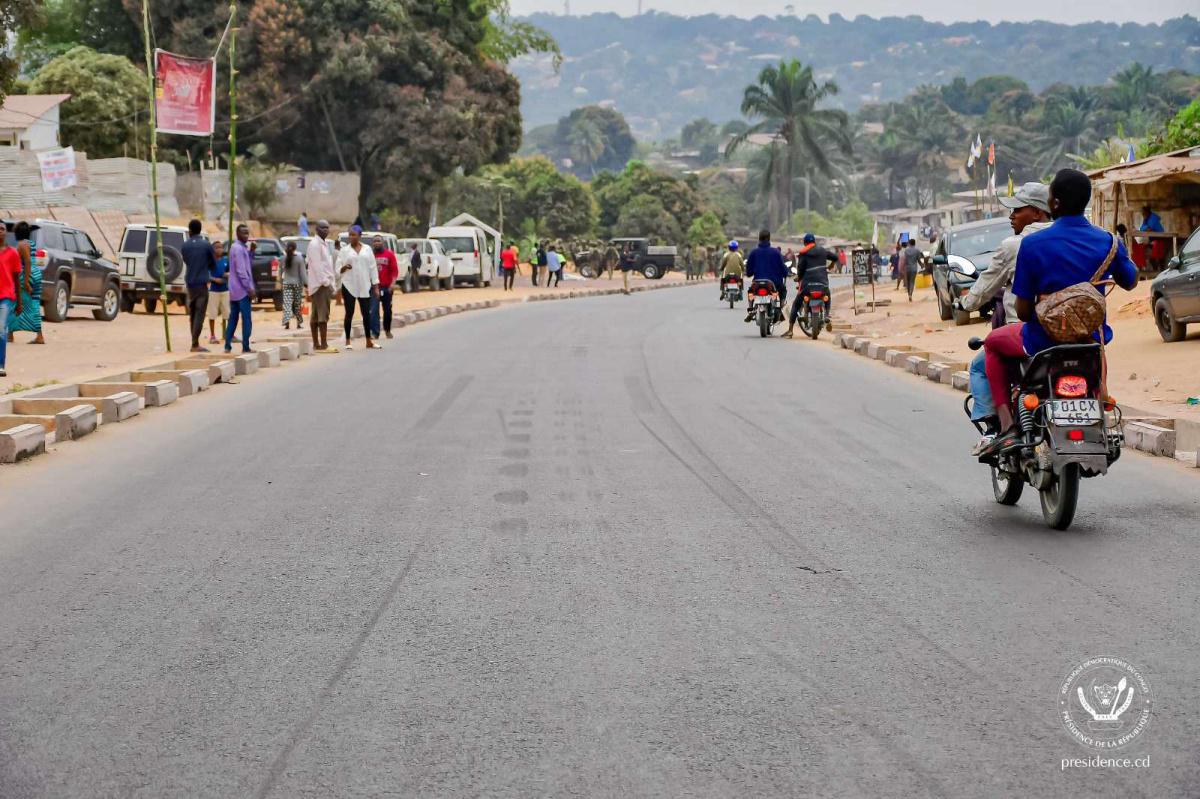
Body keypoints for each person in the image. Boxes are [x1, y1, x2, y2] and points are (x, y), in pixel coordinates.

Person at [981, 169, 1139, 454]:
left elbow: (1024, 310)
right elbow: (1130, 280)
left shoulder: (1032, 245)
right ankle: (1100, 402)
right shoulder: (1108, 243)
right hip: (1090, 340)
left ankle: (1007, 426)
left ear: (1053, 203)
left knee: (992, 344)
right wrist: (1119, 249)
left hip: (1041, 342)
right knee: (1097, 352)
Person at [953, 182, 1052, 454]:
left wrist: (964, 304)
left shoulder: (1015, 246)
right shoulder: (1071, 239)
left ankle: (998, 427)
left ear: (1036, 212)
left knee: (981, 361)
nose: (1011, 216)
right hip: (1075, 331)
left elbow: (985, 286)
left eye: (1016, 210)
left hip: (1026, 334)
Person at [782, 233, 837, 337]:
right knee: (827, 295)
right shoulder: (822, 250)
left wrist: (799, 277)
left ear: (804, 243)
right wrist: (830, 265)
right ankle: (827, 314)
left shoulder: (804, 253)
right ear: (814, 242)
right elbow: (835, 257)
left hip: (807, 286)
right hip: (822, 284)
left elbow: (801, 270)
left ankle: (790, 330)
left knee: (796, 304)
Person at [337, 225, 380, 350]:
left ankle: (368, 340)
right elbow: (338, 267)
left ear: (359, 236)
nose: (351, 237)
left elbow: (373, 268)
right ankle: (348, 341)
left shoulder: (367, 249)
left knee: (366, 313)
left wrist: (375, 286)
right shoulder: (344, 251)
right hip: (349, 285)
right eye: (350, 235)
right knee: (349, 313)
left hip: (364, 285)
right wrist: (344, 267)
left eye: (353, 235)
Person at [181, 219, 215, 352]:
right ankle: (195, 344)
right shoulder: (206, 245)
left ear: (189, 231)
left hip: (190, 283)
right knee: (200, 314)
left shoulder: (185, 245)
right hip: (201, 284)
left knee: (193, 313)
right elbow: (212, 263)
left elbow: (186, 260)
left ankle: (194, 341)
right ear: (200, 230)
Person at [8, 221, 43, 345]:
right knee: (34, 304)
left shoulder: (21, 245)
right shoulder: (31, 243)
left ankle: (10, 335)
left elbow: (27, 261)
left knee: (13, 302)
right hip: (37, 274)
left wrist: (27, 281)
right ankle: (40, 336)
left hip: (28, 275)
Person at [743, 228, 788, 324]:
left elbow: (749, 271)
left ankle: (751, 308)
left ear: (759, 238)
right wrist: (785, 273)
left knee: (751, 292)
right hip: (774, 283)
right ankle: (779, 309)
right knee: (782, 291)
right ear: (769, 239)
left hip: (757, 282)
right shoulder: (776, 252)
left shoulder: (754, 252)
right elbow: (783, 268)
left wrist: (750, 273)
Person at [224, 224, 256, 354]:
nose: (246, 236)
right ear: (237, 234)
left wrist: (251, 252)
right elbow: (242, 271)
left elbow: (247, 263)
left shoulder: (238, 248)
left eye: (247, 233)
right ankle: (246, 346)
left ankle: (227, 346)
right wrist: (249, 288)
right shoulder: (238, 249)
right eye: (244, 233)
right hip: (242, 290)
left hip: (234, 290)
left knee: (233, 318)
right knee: (246, 319)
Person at [305, 220, 336, 351]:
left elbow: (326, 265)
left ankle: (317, 344)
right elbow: (317, 266)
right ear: (317, 229)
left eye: (327, 228)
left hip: (322, 284)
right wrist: (326, 282)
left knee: (317, 314)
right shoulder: (314, 244)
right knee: (322, 315)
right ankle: (322, 344)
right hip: (320, 285)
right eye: (323, 228)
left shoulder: (324, 244)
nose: (326, 230)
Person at [0, 221, 24, 377]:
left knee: (1, 329)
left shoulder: (13, 253)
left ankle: (0, 365)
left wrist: (19, 302)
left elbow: (16, 279)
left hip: (6, 296)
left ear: (6, 232)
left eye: (2, 229)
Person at [371, 234, 399, 339]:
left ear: (382, 242)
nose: (377, 243)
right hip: (374, 287)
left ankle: (387, 330)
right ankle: (375, 332)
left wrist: (392, 284)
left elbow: (394, 271)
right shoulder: (370, 255)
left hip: (386, 287)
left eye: (378, 241)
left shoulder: (389, 254)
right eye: (375, 241)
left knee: (387, 310)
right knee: (373, 310)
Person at [279, 239, 307, 330]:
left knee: (287, 303)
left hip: (286, 283)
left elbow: (280, 272)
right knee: (297, 304)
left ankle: (286, 322)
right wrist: (306, 284)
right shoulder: (299, 259)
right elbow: (303, 273)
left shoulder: (283, 258)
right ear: (295, 248)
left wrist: (280, 281)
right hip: (297, 284)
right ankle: (298, 323)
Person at [206, 240, 230, 345]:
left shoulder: (225, 260)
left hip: (225, 290)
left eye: (221, 247)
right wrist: (215, 280)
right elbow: (207, 275)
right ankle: (212, 335)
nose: (219, 249)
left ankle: (229, 334)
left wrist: (227, 275)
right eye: (217, 247)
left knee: (228, 313)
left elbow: (230, 272)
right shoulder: (210, 262)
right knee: (212, 314)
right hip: (214, 291)